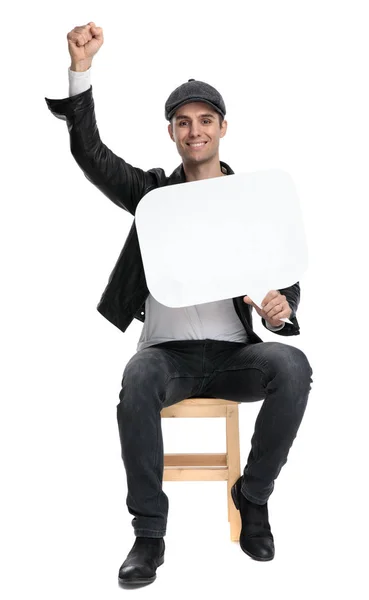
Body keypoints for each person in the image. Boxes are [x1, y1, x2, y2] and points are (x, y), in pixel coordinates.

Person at [45, 22, 313, 587]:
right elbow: (88, 152)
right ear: (171, 132)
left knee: (293, 365)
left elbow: (285, 276)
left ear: (222, 129)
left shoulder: (250, 205)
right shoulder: (152, 198)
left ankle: (254, 496)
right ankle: (148, 535)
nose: (195, 131)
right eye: (183, 122)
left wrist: (280, 309)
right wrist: (81, 70)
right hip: (166, 356)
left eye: (205, 121)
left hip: (234, 355)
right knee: (137, 374)